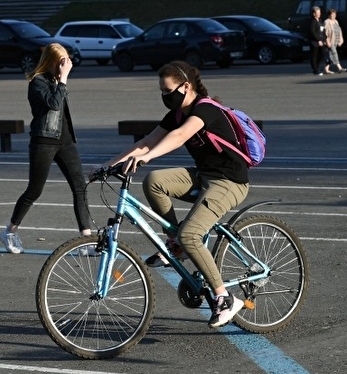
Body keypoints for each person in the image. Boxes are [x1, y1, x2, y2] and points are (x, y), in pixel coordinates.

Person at [98, 60, 248, 328]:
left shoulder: (206, 109)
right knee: (155, 181)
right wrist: (107, 166)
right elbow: (145, 143)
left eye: (168, 91)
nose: (165, 97)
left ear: (186, 86)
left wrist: (147, 158)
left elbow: (179, 137)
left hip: (229, 181)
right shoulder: (177, 113)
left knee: (191, 234)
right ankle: (175, 244)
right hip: (203, 176)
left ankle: (224, 298)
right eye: (162, 92)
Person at [0, 43, 93, 255]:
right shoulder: (37, 82)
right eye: (61, 62)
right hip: (44, 141)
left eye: (66, 61)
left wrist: (61, 80)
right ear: (51, 62)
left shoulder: (55, 80)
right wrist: (64, 79)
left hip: (65, 142)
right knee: (35, 190)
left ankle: (86, 239)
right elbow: (53, 104)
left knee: (80, 187)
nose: (65, 66)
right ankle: (9, 231)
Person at [324, 9, 347, 73]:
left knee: (329, 55)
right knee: (334, 53)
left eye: (335, 14)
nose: (334, 16)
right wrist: (327, 41)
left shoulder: (336, 21)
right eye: (332, 14)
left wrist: (341, 40)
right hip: (330, 41)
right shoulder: (327, 22)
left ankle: (326, 69)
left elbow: (339, 31)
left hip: (335, 41)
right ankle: (339, 67)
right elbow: (325, 33)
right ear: (329, 15)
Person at [309, 6, 325, 75]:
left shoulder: (320, 21)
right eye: (318, 12)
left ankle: (316, 67)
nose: (319, 14)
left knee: (322, 54)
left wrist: (324, 39)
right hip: (314, 41)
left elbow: (322, 30)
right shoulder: (313, 21)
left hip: (321, 40)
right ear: (314, 14)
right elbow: (312, 32)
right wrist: (318, 40)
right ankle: (315, 69)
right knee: (314, 55)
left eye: (320, 12)